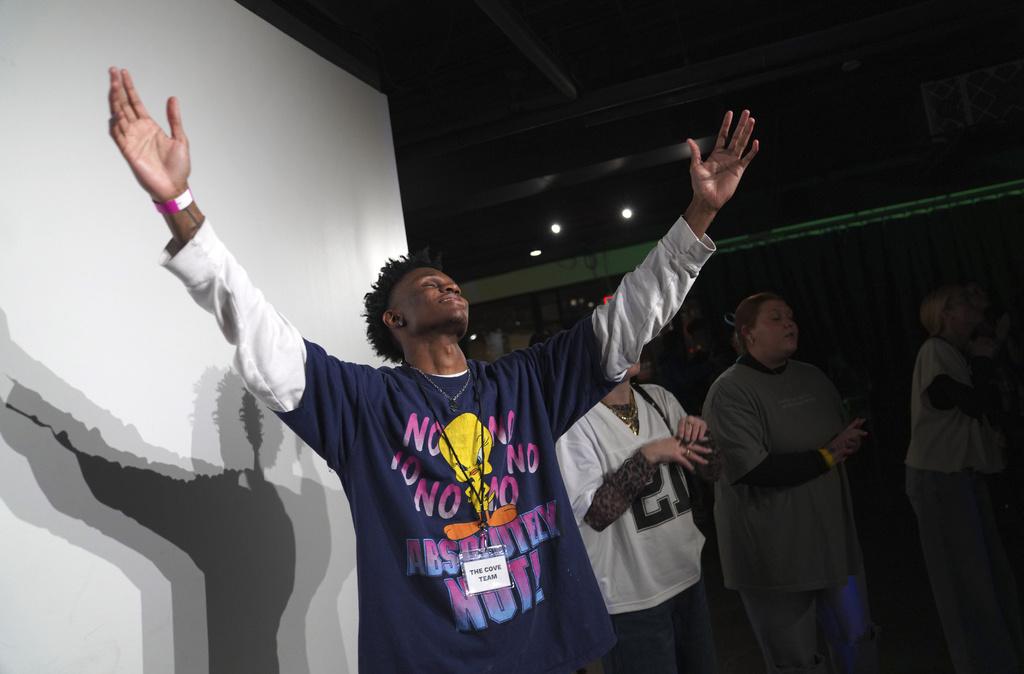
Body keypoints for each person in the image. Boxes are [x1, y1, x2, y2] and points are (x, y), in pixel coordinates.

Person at [106, 67, 758, 672]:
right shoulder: (365, 405)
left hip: (544, 651)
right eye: (425, 283)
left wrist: (700, 214)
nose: (446, 284)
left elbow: (631, 316)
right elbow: (257, 332)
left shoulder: (524, 383)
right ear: (394, 322)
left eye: (449, 279)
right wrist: (179, 205)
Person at [703, 292, 878, 674]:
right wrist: (828, 455)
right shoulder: (730, 390)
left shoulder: (811, 376)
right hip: (775, 555)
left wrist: (848, 442)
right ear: (747, 333)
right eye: (776, 318)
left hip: (832, 542)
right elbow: (755, 470)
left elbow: (841, 435)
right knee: (797, 662)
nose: (789, 324)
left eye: (791, 317)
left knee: (857, 642)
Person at [555, 362, 722, 673]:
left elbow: (713, 472)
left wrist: (704, 438)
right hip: (631, 598)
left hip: (687, 575)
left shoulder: (658, 398)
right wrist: (649, 455)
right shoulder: (576, 421)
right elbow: (596, 513)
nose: (633, 340)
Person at [906, 285, 1024, 673]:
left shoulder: (953, 352)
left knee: (981, 577)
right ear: (945, 315)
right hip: (942, 479)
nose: (974, 304)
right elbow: (974, 405)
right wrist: (985, 361)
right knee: (966, 583)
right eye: (963, 302)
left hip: (957, 476)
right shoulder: (936, 351)